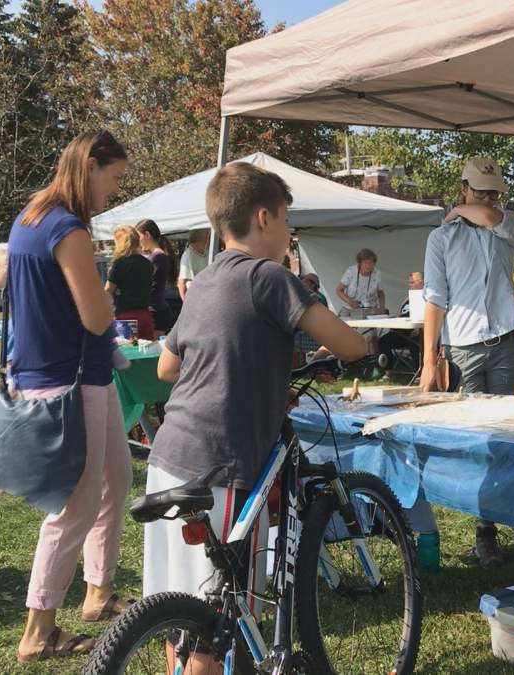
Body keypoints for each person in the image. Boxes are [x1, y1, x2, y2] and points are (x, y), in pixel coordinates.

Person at [144, 162, 366, 673]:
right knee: (218, 618)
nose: (290, 232)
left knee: (179, 607)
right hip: (223, 463)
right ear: (263, 217)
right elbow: (349, 345)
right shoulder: (271, 277)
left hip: (171, 452)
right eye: (287, 220)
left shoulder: (202, 282)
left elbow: (166, 366)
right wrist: (362, 341)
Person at [6, 131, 133, 663]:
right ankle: (38, 631)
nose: (116, 190)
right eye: (116, 177)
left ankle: (98, 593)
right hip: (72, 381)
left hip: (68, 376)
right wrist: (106, 292)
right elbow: (98, 317)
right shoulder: (68, 228)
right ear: (90, 166)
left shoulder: (31, 219)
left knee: (115, 481)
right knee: (74, 507)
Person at [420, 155, 514, 567]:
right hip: (464, 347)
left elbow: (488, 215)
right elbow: (435, 299)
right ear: (464, 188)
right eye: (480, 190)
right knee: (479, 441)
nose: (489, 198)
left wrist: (456, 210)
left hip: (506, 339)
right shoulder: (442, 239)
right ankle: (485, 533)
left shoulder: (505, 223)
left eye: (494, 191)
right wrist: (430, 360)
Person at [105, 226, 154, 340]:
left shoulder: (120, 264)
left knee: (128, 354)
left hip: (125, 317)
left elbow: (107, 291)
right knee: (146, 355)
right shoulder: (147, 264)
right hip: (145, 316)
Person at [136, 219, 175, 336]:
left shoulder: (157, 256)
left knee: (153, 351)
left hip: (156, 312)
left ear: (147, 235)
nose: (138, 241)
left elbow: (140, 279)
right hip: (156, 310)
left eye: (139, 237)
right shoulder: (156, 255)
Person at [336, 248, 385, 313]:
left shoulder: (377, 274)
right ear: (359, 263)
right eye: (365, 263)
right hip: (350, 309)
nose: (368, 266)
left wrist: (382, 309)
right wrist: (350, 302)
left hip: (370, 309)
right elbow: (339, 290)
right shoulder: (351, 271)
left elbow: (381, 293)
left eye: (370, 263)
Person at [176, 228, 210, 300]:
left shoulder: (208, 252)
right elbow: (181, 284)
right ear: (201, 237)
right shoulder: (188, 255)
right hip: (195, 299)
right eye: (208, 234)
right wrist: (186, 304)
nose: (209, 237)